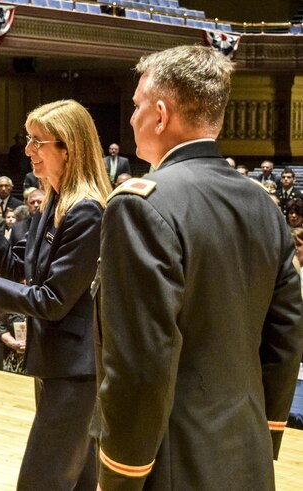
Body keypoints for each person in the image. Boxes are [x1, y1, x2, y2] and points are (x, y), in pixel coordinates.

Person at [96, 45, 303, 491]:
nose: (132, 117)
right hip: (248, 452)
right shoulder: (261, 204)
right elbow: (286, 336)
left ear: (161, 114)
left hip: (170, 460)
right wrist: (265, 434)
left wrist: (120, 473)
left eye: (136, 106)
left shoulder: (140, 205)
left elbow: (141, 362)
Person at [0, 99, 111, 490]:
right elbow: (21, 269)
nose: (27, 151)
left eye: (38, 142)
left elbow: (52, 300)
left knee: (42, 481)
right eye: (29, 140)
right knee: (77, 480)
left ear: (67, 148)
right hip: (59, 364)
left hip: (77, 371)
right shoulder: (54, 201)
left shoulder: (85, 211)